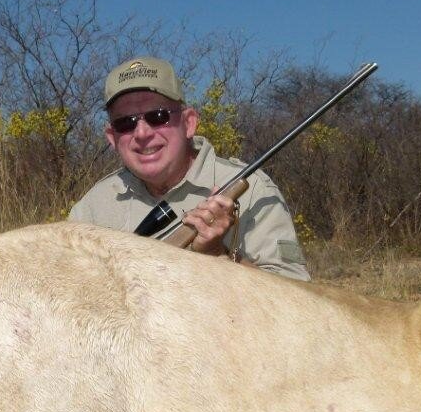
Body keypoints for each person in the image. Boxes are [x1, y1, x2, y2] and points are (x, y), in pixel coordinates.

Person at [69, 56, 310, 281]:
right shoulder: (92, 209)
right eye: (125, 123)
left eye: (158, 116)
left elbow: (299, 298)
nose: (142, 133)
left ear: (189, 123)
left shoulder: (254, 190)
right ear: (112, 137)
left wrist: (219, 256)